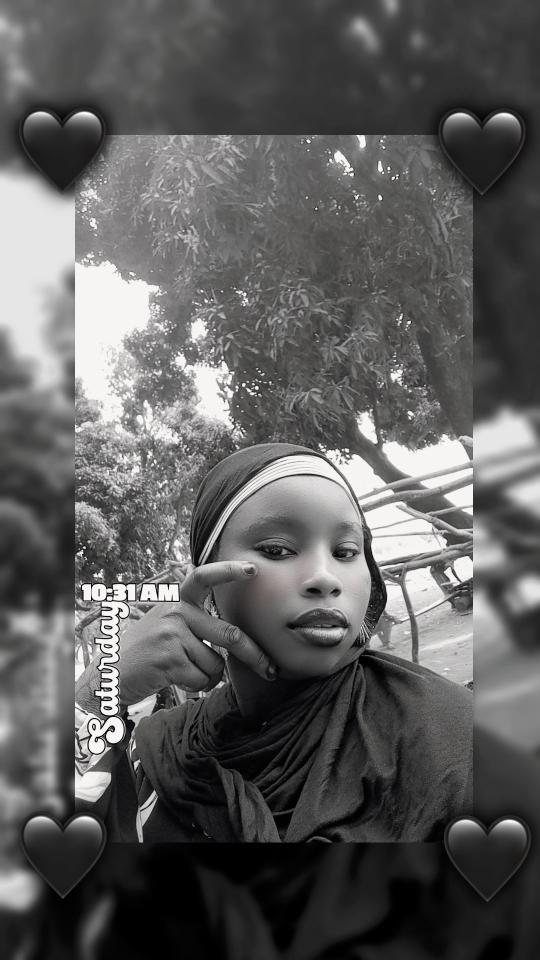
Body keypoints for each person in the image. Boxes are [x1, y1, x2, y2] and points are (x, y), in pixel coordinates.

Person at [75, 442, 472, 842]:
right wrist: (97, 689)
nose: (325, 577)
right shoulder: (157, 752)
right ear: (208, 581)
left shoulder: (456, 742)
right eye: (277, 550)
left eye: (346, 551)